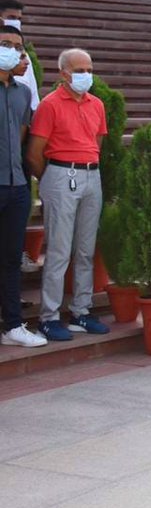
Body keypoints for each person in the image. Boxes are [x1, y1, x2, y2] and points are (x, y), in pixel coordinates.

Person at [26, 48, 109, 341]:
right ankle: (49, 317)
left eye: (89, 69)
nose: (86, 75)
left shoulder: (96, 104)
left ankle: (81, 311)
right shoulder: (50, 105)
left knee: (85, 250)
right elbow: (35, 152)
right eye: (79, 70)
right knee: (59, 250)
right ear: (64, 74)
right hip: (61, 174)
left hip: (91, 175)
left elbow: (96, 141)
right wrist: (51, 177)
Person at [0, 26, 42, 347]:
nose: (12, 50)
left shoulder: (22, 93)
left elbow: (23, 138)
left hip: (16, 187)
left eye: (17, 46)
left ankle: (13, 326)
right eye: (5, 44)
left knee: (12, 258)